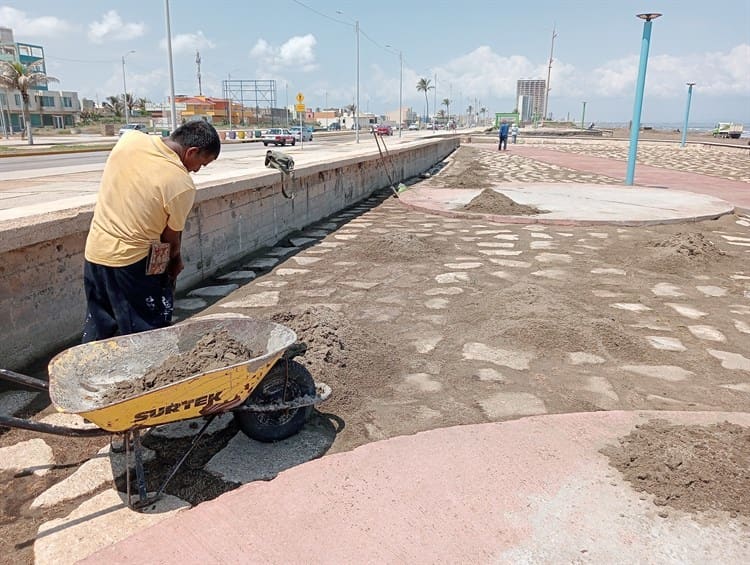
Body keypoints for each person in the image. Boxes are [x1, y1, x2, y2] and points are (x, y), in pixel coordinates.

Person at [81, 120, 221, 343]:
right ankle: (146, 376)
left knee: (100, 326)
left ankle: (86, 372)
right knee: (145, 331)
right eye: (201, 164)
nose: (196, 170)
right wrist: (175, 262)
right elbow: (170, 239)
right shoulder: (179, 182)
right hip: (130, 262)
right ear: (192, 151)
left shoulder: (129, 141)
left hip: (95, 252)